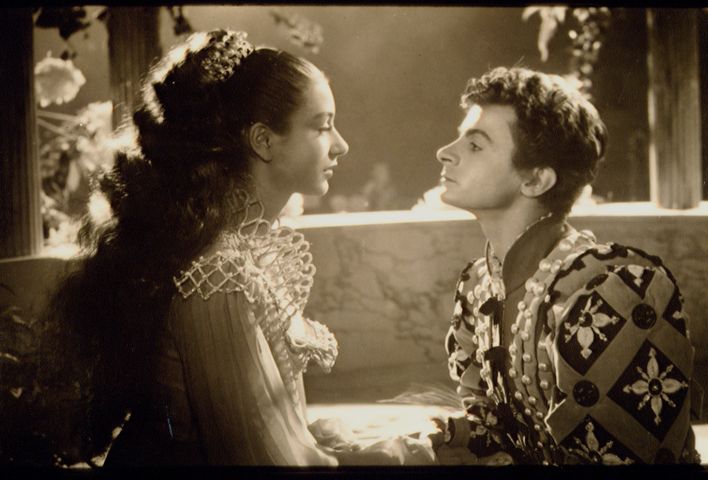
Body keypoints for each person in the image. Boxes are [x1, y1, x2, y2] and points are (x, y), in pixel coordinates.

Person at [39, 29, 433, 467]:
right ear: (263, 141)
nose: (341, 145)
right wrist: (389, 458)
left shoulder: (244, 255)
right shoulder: (219, 278)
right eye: (322, 126)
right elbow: (265, 461)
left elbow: (273, 427)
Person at [429, 67, 703, 465]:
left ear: (536, 180)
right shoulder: (479, 284)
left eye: (475, 145)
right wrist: (450, 434)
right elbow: (501, 429)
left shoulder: (608, 291)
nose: (445, 151)